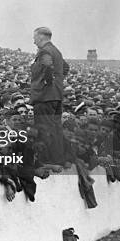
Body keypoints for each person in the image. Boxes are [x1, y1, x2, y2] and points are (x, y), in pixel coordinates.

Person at [30, 27, 70, 167]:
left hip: (45, 96)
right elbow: (65, 68)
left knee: (44, 128)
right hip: (56, 96)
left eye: (35, 38)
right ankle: (58, 159)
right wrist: (57, 83)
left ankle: (45, 160)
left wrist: (47, 83)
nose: (33, 41)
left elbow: (48, 67)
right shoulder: (56, 51)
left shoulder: (45, 51)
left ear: (41, 37)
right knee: (56, 128)